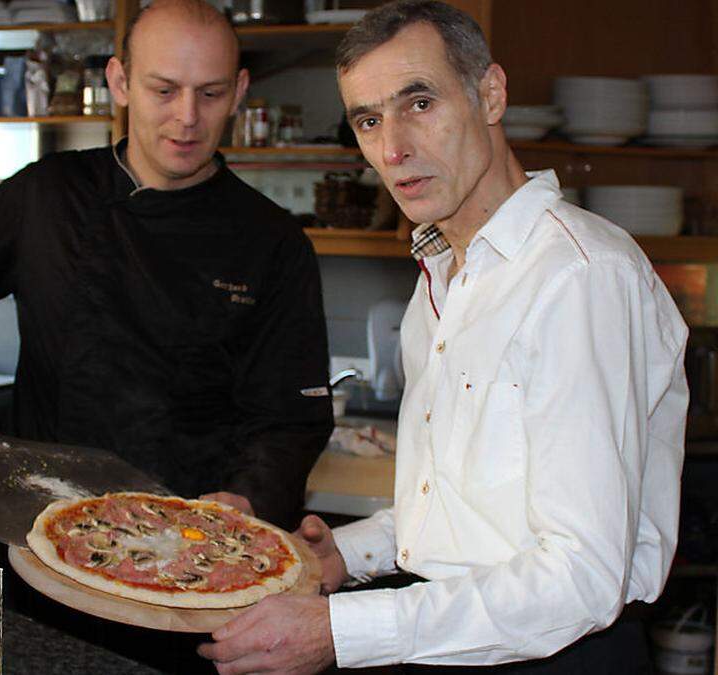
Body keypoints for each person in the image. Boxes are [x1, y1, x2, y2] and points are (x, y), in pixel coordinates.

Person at [200, 1, 688, 672]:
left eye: (419, 103)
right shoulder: (442, 279)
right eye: (369, 120)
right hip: (454, 634)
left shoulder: (580, 277)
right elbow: (467, 507)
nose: (393, 149)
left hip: (563, 653)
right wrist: (350, 550)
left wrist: (341, 630)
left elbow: (580, 576)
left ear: (490, 93)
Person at [0, 0, 335, 529]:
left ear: (238, 91)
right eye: (163, 90)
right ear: (120, 82)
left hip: (187, 536)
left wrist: (248, 502)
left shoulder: (272, 241)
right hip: (41, 525)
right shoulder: (49, 195)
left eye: (210, 94)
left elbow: (292, 419)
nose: (188, 117)